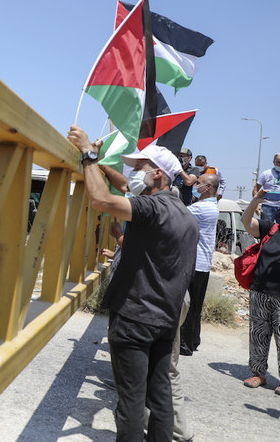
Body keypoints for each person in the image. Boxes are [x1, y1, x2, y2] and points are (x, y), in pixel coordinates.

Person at [68, 125, 198, 441]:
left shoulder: (151, 209)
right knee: (160, 398)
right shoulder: (184, 213)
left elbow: (99, 198)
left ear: (158, 175)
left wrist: (88, 153)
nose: (134, 173)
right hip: (165, 321)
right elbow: (125, 186)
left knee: (130, 403)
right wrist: (100, 165)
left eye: (140, 167)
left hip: (136, 318)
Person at [240, 189, 280, 397]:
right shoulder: (271, 229)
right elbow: (247, 223)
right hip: (260, 292)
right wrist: (255, 200)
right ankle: (258, 373)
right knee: (258, 335)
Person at [180, 173, 220, 356]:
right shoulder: (212, 206)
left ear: (209, 187)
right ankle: (193, 340)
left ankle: (185, 344)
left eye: (199, 183)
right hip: (202, 263)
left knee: (188, 306)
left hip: (195, 263)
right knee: (195, 305)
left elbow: (177, 215)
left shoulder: (202, 208)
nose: (196, 185)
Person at [252, 153, 280, 224]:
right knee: (266, 230)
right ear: (274, 162)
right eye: (279, 162)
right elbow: (255, 189)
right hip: (268, 206)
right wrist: (256, 204)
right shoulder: (266, 174)